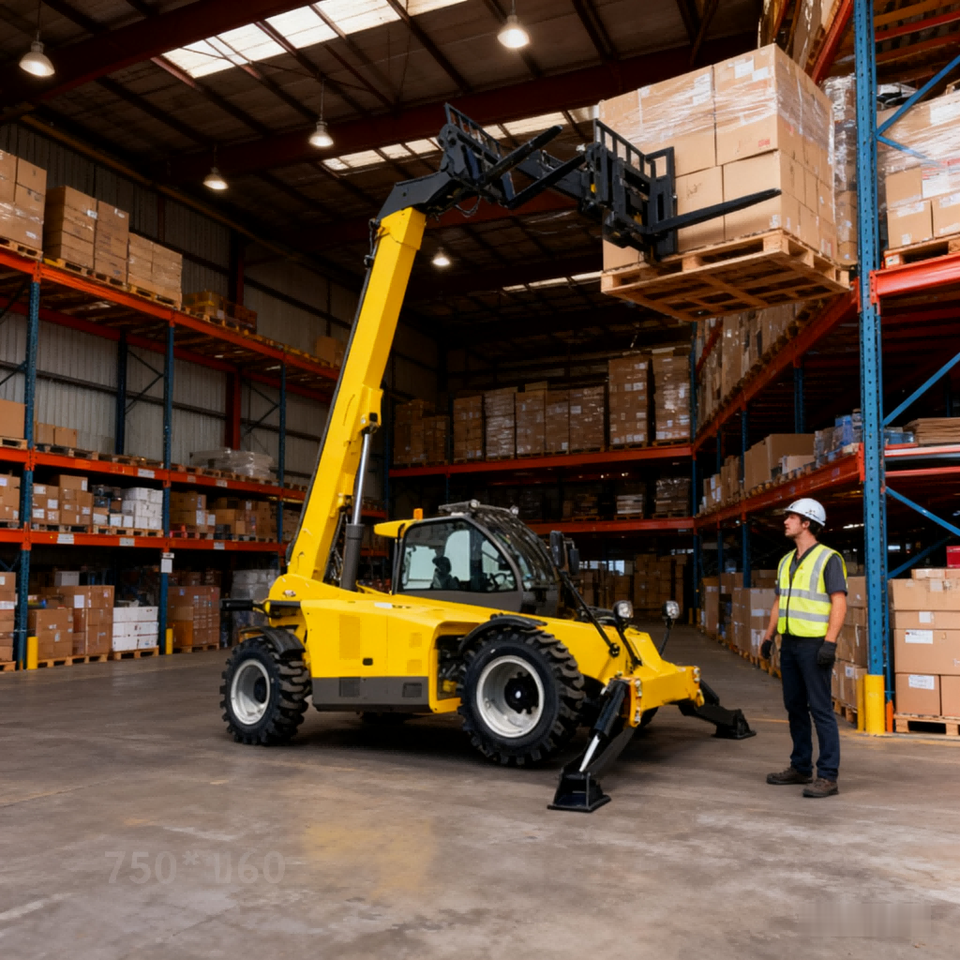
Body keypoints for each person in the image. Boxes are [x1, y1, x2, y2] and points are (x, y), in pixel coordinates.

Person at [760, 498, 847, 798]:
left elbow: (839, 602)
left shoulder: (828, 558)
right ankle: (800, 767)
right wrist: (768, 637)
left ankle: (828, 776)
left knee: (820, 709)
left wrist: (830, 643)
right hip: (790, 644)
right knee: (795, 706)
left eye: (791, 517)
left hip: (814, 645)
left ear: (807, 523)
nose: (785, 521)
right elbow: (779, 601)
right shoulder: (786, 561)